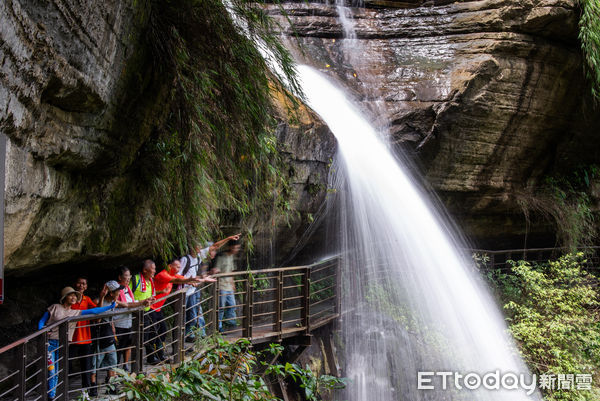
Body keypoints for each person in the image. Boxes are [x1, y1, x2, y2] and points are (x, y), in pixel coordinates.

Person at [38, 287, 115, 400]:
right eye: (71, 295)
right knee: (52, 370)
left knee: (56, 371)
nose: (74, 297)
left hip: (63, 345)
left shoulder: (75, 312)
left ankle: (52, 396)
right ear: (65, 297)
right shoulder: (55, 307)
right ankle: (51, 396)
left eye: (75, 296)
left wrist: (110, 307)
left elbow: (93, 311)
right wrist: (42, 331)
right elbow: (42, 321)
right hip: (49, 343)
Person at [149, 258, 215, 361]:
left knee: (161, 331)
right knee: (154, 334)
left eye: (180, 267)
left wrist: (202, 279)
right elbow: (178, 280)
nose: (179, 268)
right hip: (150, 308)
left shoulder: (172, 275)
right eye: (177, 267)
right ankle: (152, 357)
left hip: (157, 309)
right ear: (170, 266)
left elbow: (183, 278)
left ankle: (159, 355)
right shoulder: (163, 274)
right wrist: (191, 280)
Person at [111, 265, 152, 371]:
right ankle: (115, 371)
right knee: (118, 349)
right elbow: (126, 304)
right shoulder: (115, 289)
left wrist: (143, 302)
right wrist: (142, 303)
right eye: (126, 276)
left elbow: (130, 303)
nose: (128, 278)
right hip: (118, 323)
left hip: (128, 322)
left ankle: (125, 366)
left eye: (129, 276)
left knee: (128, 344)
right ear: (120, 277)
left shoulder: (127, 288)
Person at [90, 281, 124, 395]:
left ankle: (112, 386)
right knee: (95, 363)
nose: (120, 292)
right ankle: (93, 388)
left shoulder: (114, 302)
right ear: (111, 293)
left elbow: (111, 318)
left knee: (112, 362)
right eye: (118, 291)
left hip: (109, 335)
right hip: (99, 337)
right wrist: (101, 297)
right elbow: (97, 319)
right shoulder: (99, 302)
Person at [70, 277, 96, 394]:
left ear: (86, 287)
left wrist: (102, 297)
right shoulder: (71, 299)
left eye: (84, 284)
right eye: (79, 283)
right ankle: (59, 389)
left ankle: (87, 389)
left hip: (85, 338)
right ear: (75, 284)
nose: (81, 285)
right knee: (66, 364)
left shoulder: (87, 299)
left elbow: (96, 310)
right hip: (71, 338)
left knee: (86, 366)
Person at [212, 240, 241, 332]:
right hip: (221, 285)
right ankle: (219, 327)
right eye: (234, 248)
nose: (236, 250)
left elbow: (231, 271)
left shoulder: (231, 256)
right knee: (221, 307)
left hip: (229, 285)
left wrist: (233, 284)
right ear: (230, 247)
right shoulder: (221, 257)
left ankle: (231, 323)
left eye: (237, 248)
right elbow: (216, 270)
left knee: (232, 305)